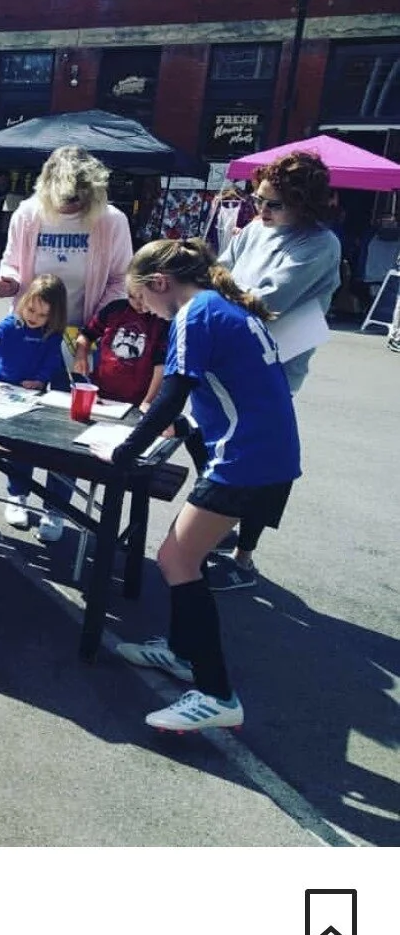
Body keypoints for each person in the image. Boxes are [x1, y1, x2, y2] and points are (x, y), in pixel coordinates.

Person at [110, 239, 300, 732]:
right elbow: (231, 386)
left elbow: (172, 393)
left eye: (143, 299)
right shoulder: (220, 305)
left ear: (160, 283)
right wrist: (187, 428)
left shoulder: (193, 313)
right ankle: (180, 651)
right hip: (264, 455)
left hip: (247, 460)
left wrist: (126, 450)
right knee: (184, 556)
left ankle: (216, 694)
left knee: (176, 560)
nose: (145, 311)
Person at [204, 150, 342, 591]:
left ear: (304, 204)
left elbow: (268, 300)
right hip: (231, 353)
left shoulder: (320, 243)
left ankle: (243, 558)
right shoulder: (254, 230)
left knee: (259, 459)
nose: (261, 210)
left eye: (273, 204)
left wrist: (213, 291)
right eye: (257, 199)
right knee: (215, 443)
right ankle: (222, 527)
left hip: (276, 363)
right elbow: (219, 274)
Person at [0, 146, 133, 330]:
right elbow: (11, 263)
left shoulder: (112, 220)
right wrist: (11, 282)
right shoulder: (27, 214)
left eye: (77, 198)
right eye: (62, 198)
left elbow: (121, 279)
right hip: (29, 327)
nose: (69, 206)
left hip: (85, 330)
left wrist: (95, 326)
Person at [0, 274, 71, 536]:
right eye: (31, 309)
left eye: (42, 315)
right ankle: (17, 495)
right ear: (24, 302)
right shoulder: (11, 324)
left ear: (53, 316)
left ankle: (53, 509)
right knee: (17, 452)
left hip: (31, 397)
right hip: (2, 392)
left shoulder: (52, 335)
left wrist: (40, 380)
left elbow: (51, 362)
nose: (34, 317)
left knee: (35, 448)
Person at [72, 287, 169, 409]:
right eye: (132, 297)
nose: (138, 303)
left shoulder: (162, 321)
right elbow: (86, 335)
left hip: (136, 402)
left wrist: (148, 401)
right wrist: (80, 356)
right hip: (100, 396)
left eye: (142, 297)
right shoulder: (115, 308)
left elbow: (161, 366)